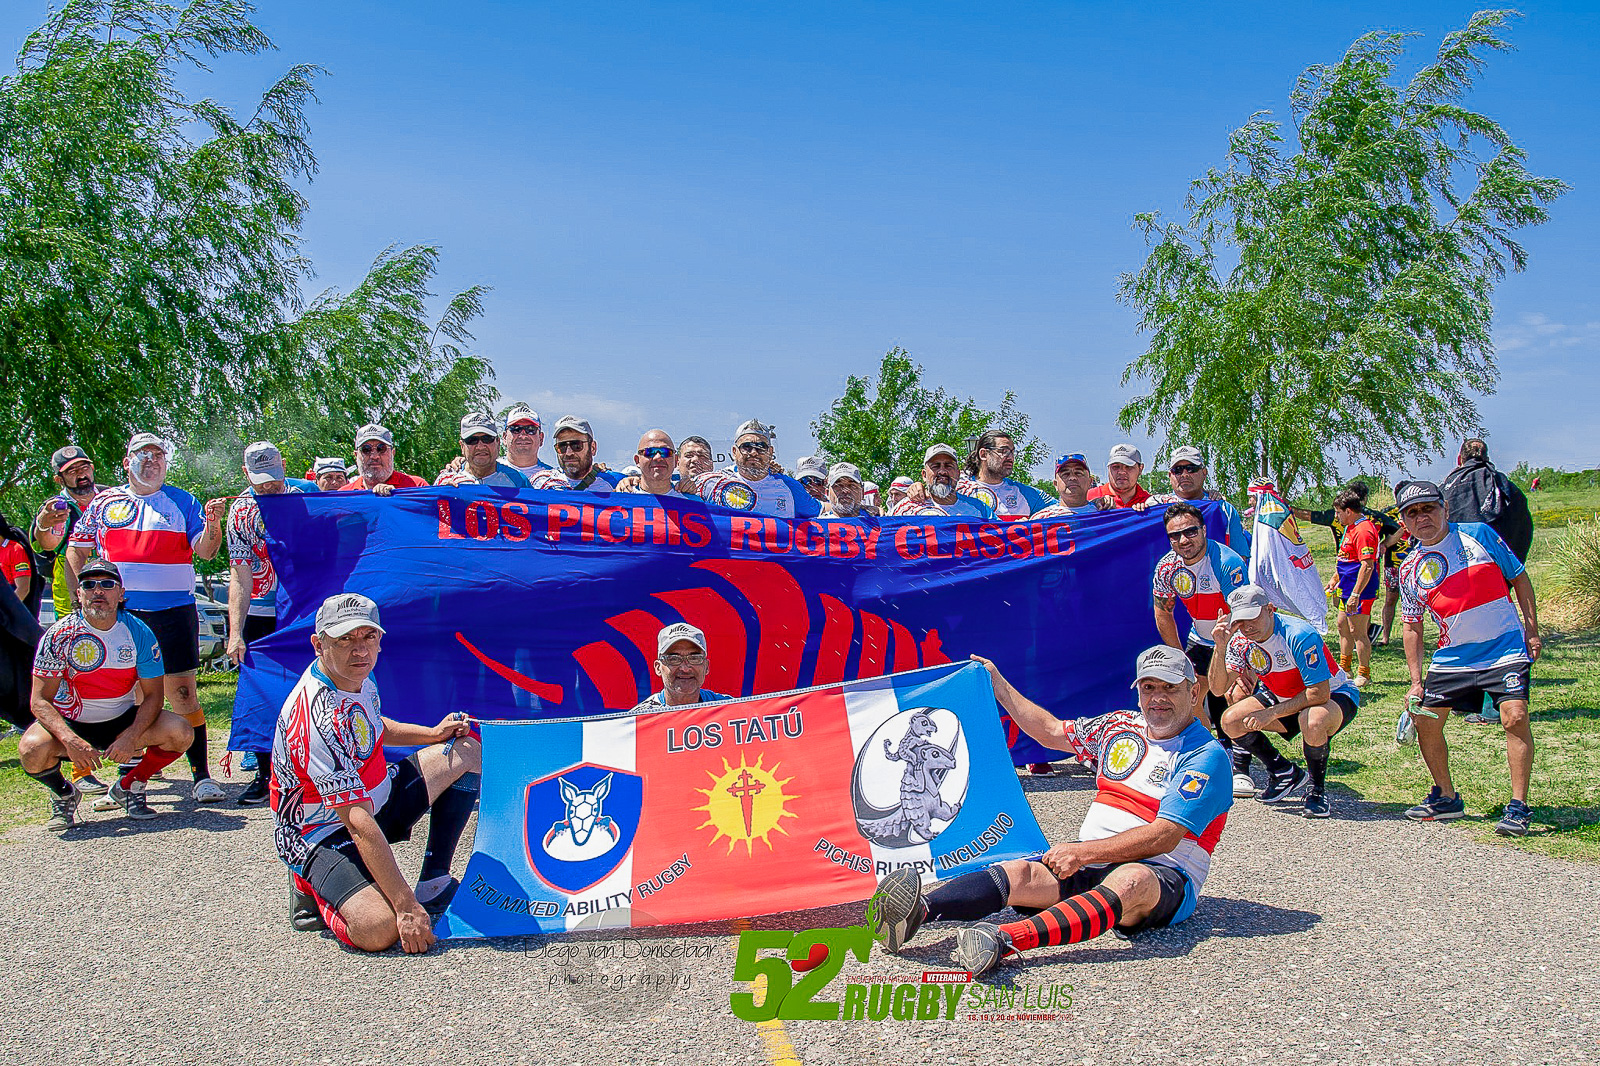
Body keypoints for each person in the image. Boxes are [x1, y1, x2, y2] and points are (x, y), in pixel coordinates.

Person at [870, 646, 1231, 976]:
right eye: (1149, 687)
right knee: (1021, 872)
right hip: (1093, 862)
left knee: (1130, 879)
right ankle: (917, 912)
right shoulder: (1120, 726)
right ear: (1137, 691)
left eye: (1169, 688)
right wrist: (998, 684)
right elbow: (1050, 731)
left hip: (1163, 875)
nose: (1157, 698)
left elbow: (1163, 837)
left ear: (1194, 692)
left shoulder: (1206, 756)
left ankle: (1004, 941)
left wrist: (1082, 851)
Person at [271, 593, 481, 952]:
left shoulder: (357, 678)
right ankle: (309, 883)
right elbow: (355, 821)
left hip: (371, 799)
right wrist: (405, 907)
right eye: (345, 639)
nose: (360, 650)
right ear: (318, 644)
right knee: (379, 930)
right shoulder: (313, 713)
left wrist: (432, 734)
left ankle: (433, 880)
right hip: (322, 830)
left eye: (368, 637)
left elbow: (370, 726)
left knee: (468, 751)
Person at [66, 433, 228, 802]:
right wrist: (83, 596)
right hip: (124, 615)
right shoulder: (105, 501)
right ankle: (128, 779)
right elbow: (77, 548)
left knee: (184, 693)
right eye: (143, 455)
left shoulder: (182, 500)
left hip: (174, 611)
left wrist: (214, 522)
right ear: (127, 462)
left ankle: (202, 775)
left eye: (159, 455)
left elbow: (206, 550)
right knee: (133, 694)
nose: (152, 461)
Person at [1393, 479, 1540, 836]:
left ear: (1444, 507)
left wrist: (1532, 630)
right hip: (1453, 658)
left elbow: (1519, 578)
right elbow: (1412, 627)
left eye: (1428, 508)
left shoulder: (1480, 534)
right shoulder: (1409, 567)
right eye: (1412, 513)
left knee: (1514, 717)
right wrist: (1416, 681)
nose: (1422, 517)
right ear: (1404, 523)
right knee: (1426, 719)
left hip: (1504, 647)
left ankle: (1518, 806)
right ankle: (1445, 797)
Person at [19, 559, 194, 830]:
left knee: (181, 732)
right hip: (71, 723)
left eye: (107, 584)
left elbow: (153, 698)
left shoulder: (139, 632)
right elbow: (39, 701)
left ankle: (130, 785)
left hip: (120, 719)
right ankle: (64, 793)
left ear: (121, 593)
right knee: (31, 749)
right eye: (89, 585)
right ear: (78, 593)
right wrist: (69, 740)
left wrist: (132, 736)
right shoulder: (58, 635)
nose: (98, 591)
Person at [1212, 584, 1359, 819]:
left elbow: (1318, 693)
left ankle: (1316, 791)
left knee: (1312, 720)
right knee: (1231, 720)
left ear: (1270, 609)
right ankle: (1283, 772)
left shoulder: (1299, 634)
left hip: (1333, 694)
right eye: (1240, 621)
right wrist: (1220, 648)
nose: (1247, 626)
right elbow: (1218, 688)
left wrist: (1270, 713)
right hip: (1284, 695)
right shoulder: (1239, 641)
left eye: (1252, 617)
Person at [1151, 502, 1256, 797]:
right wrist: (1178, 657)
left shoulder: (1228, 562)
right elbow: (1162, 612)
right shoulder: (1167, 567)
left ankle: (1241, 768)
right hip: (1199, 638)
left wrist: (1242, 662)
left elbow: (1242, 614)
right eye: (1175, 535)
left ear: (1204, 530)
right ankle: (1209, 756)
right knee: (1191, 697)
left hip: (1233, 638)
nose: (1184, 540)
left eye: (1190, 531)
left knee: (1235, 695)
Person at [225, 442, 303, 805]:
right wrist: (235, 633)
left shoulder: (305, 498)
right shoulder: (240, 512)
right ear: (246, 475)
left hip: (301, 609)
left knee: (307, 687)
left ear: (284, 467)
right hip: (259, 610)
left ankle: (307, 768)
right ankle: (264, 771)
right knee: (260, 689)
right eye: (260, 481)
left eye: (273, 478)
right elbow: (239, 576)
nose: (268, 487)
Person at [30, 446, 109, 623]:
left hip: (110, 587)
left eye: (84, 468)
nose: (81, 475)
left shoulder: (112, 498)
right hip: (71, 594)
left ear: (93, 468)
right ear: (59, 479)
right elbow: (48, 545)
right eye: (72, 471)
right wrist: (42, 526)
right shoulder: (56, 508)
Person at [1139, 446, 1250, 558]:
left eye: (1191, 468)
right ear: (1170, 475)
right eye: (1178, 470)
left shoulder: (1224, 509)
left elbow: (1240, 556)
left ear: (1204, 472)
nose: (1185, 474)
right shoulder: (1154, 505)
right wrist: (1138, 512)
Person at [692, 420, 818, 517]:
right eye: (746, 447)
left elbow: (826, 512)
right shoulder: (709, 483)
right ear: (734, 452)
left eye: (760, 447)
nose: (753, 452)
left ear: (770, 452)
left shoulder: (791, 487)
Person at [1327, 487, 1379, 687]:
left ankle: (1364, 673)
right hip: (1346, 586)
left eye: (1338, 512)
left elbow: (1366, 565)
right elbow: (1346, 558)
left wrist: (1356, 594)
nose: (1336, 516)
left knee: (1357, 629)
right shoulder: (1350, 528)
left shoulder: (1364, 530)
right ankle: (1344, 668)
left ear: (1349, 511)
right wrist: (1335, 578)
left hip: (1360, 589)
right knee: (1342, 625)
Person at [631, 623, 731, 711]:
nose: (685, 668)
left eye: (694, 658)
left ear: (706, 667)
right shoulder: (639, 720)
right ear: (658, 668)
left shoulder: (730, 709)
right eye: (673, 659)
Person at [957, 430, 1050, 520]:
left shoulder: (1026, 493)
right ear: (983, 454)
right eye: (1003, 451)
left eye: (1012, 452)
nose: (1010, 457)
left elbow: (1060, 510)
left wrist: (1030, 523)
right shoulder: (960, 489)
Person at [887, 445, 996, 519]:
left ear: (958, 473)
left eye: (948, 466)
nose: (942, 471)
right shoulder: (905, 509)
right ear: (924, 475)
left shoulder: (979, 508)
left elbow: (1002, 536)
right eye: (936, 466)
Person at [434, 413, 533, 488]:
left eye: (487, 439)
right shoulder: (446, 480)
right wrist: (440, 496)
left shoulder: (519, 481)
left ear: (498, 442)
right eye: (472, 440)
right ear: (462, 446)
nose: (480, 446)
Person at [541, 416, 624, 492]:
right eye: (562, 447)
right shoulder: (541, 483)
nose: (569, 453)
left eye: (576, 445)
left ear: (592, 448)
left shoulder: (617, 483)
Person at [342, 424, 429, 496]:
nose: (374, 456)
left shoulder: (417, 487)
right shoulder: (343, 495)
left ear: (392, 453)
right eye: (366, 449)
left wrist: (398, 497)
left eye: (381, 448)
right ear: (356, 455)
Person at [1031, 453, 1111, 519]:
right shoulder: (1041, 518)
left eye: (1078, 473)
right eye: (1065, 474)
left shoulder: (1106, 513)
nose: (1072, 478)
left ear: (1090, 482)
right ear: (1055, 485)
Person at [616, 430, 692, 496]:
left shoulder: (695, 504)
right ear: (637, 460)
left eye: (666, 452)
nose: (658, 458)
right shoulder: (619, 499)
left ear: (676, 460)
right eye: (649, 452)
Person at [1086, 445, 1151, 509]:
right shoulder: (1088, 498)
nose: (1121, 472)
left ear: (1140, 469)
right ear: (1108, 468)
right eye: (1115, 467)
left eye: (1128, 467)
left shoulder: (1150, 504)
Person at [500, 403, 552, 480]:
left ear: (541, 438)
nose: (523, 435)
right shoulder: (487, 473)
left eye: (531, 429)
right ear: (504, 437)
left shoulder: (555, 479)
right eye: (516, 429)